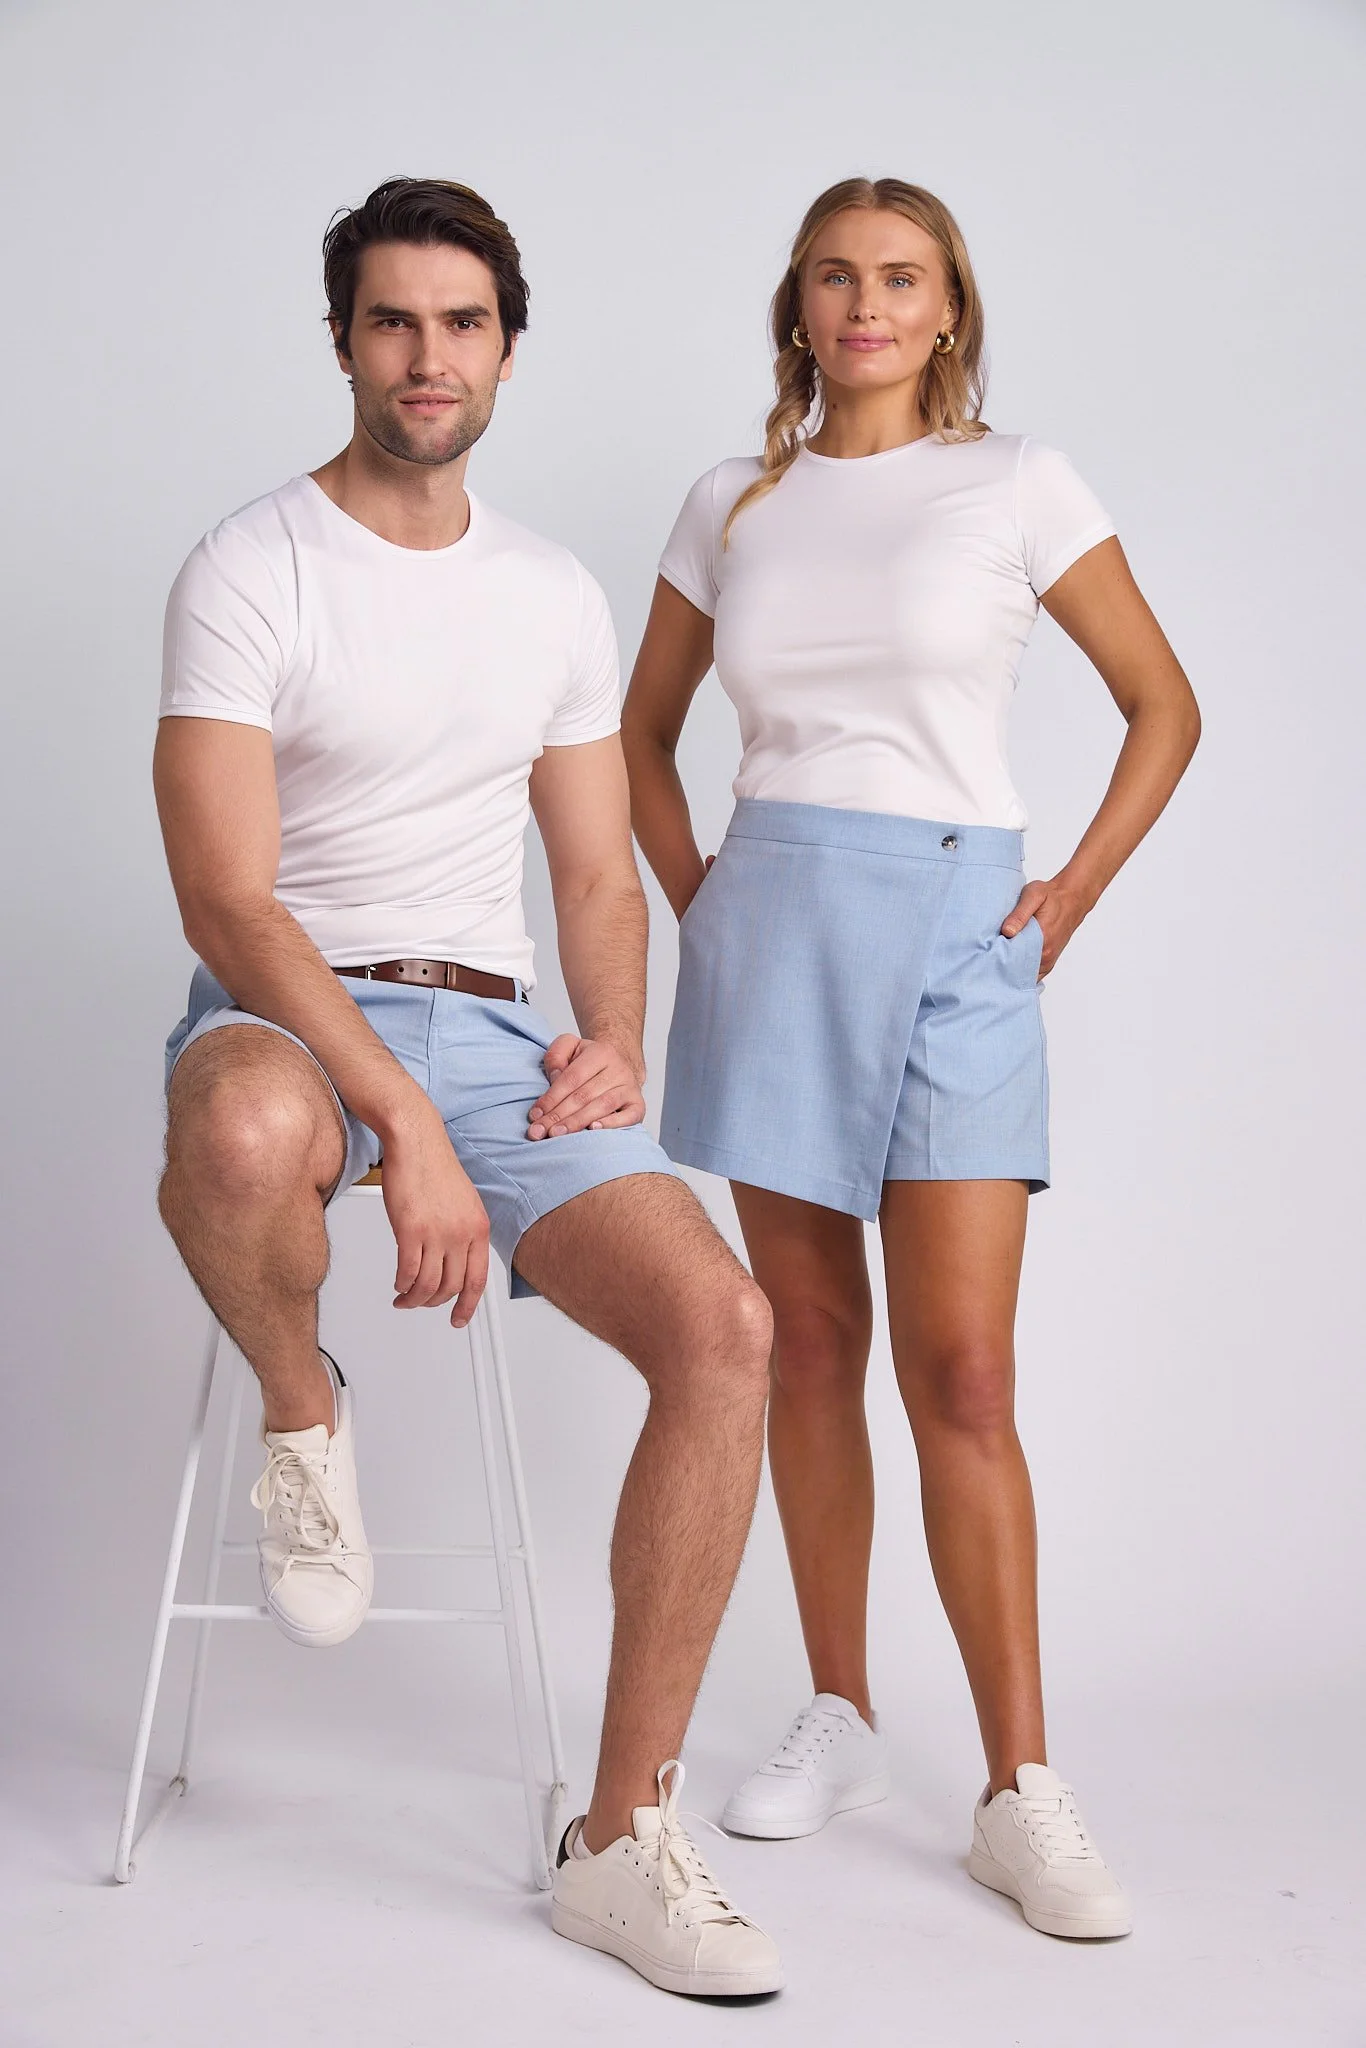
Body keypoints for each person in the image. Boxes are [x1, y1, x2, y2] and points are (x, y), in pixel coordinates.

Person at [154, 176, 782, 2000]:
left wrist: (612, 1035)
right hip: (295, 1008)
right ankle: (303, 1413)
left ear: (506, 346)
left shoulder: (548, 592)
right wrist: (404, 1124)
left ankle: (619, 1841)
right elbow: (228, 897)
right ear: (342, 339)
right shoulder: (251, 563)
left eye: (461, 323)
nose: (427, 357)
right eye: (391, 321)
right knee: (248, 1127)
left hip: (501, 1029)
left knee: (727, 1327)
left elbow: (593, 875)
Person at [622, 175, 1200, 1941]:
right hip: (772, 918)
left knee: (960, 1375)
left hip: (957, 932)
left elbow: (1162, 704)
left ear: (948, 308)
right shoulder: (734, 499)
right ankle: (843, 1710)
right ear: (792, 306)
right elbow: (636, 734)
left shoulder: (1015, 482)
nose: (863, 305)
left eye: (898, 278)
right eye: (831, 277)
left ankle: (1018, 1789)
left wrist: (1068, 899)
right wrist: (701, 900)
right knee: (805, 1347)